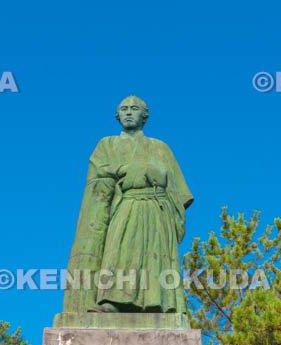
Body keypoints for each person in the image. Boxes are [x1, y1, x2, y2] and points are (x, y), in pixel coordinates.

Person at [62, 95, 193, 314]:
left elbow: (178, 191)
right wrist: (124, 170)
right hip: (125, 204)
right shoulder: (107, 144)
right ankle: (113, 300)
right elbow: (97, 175)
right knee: (119, 250)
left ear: (145, 116)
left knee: (154, 254)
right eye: (124, 109)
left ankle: (157, 303)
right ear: (117, 115)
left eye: (134, 108)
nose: (129, 113)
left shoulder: (160, 147)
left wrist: (155, 175)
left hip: (156, 208)